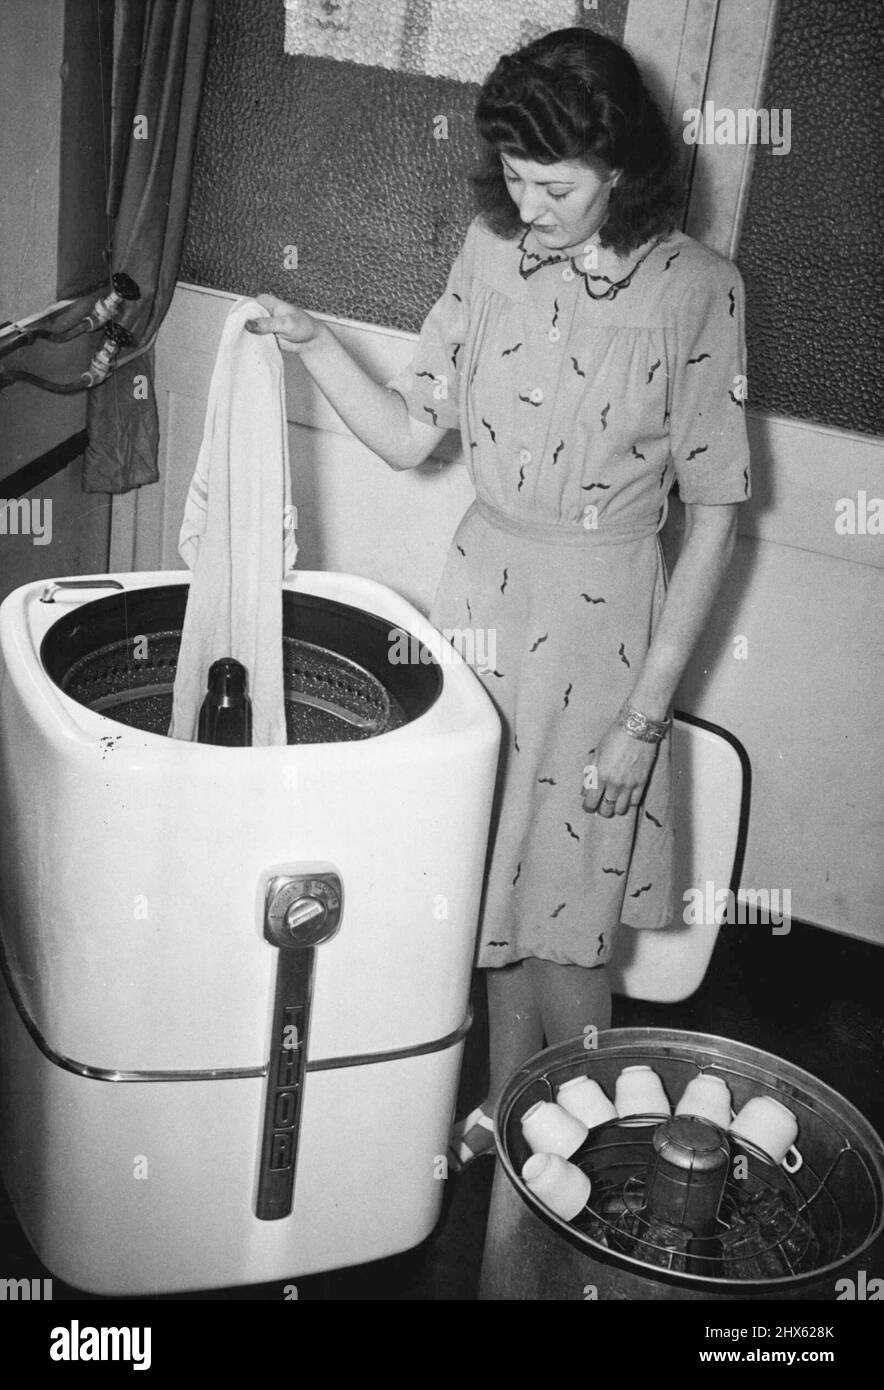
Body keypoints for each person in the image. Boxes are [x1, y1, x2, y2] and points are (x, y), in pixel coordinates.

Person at [248, 26, 751, 1167]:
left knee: (567, 915)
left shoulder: (700, 291)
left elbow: (717, 514)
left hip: (603, 623)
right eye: (515, 179)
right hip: (480, 596)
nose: (529, 207)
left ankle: (593, 1147)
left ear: (621, 167)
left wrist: (645, 718)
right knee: (489, 881)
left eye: (555, 186)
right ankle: (507, 1103)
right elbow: (409, 433)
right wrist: (315, 345)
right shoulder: (489, 253)